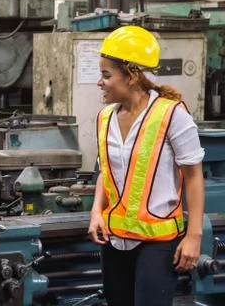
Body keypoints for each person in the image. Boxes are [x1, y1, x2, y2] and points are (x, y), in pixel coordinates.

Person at [87, 26, 205, 306]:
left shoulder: (172, 114)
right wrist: (95, 211)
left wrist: (194, 236)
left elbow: (193, 176)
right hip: (114, 240)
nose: (100, 82)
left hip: (158, 243)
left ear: (131, 76)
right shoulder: (105, 118)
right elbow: (107, 171)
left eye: (106, 75)